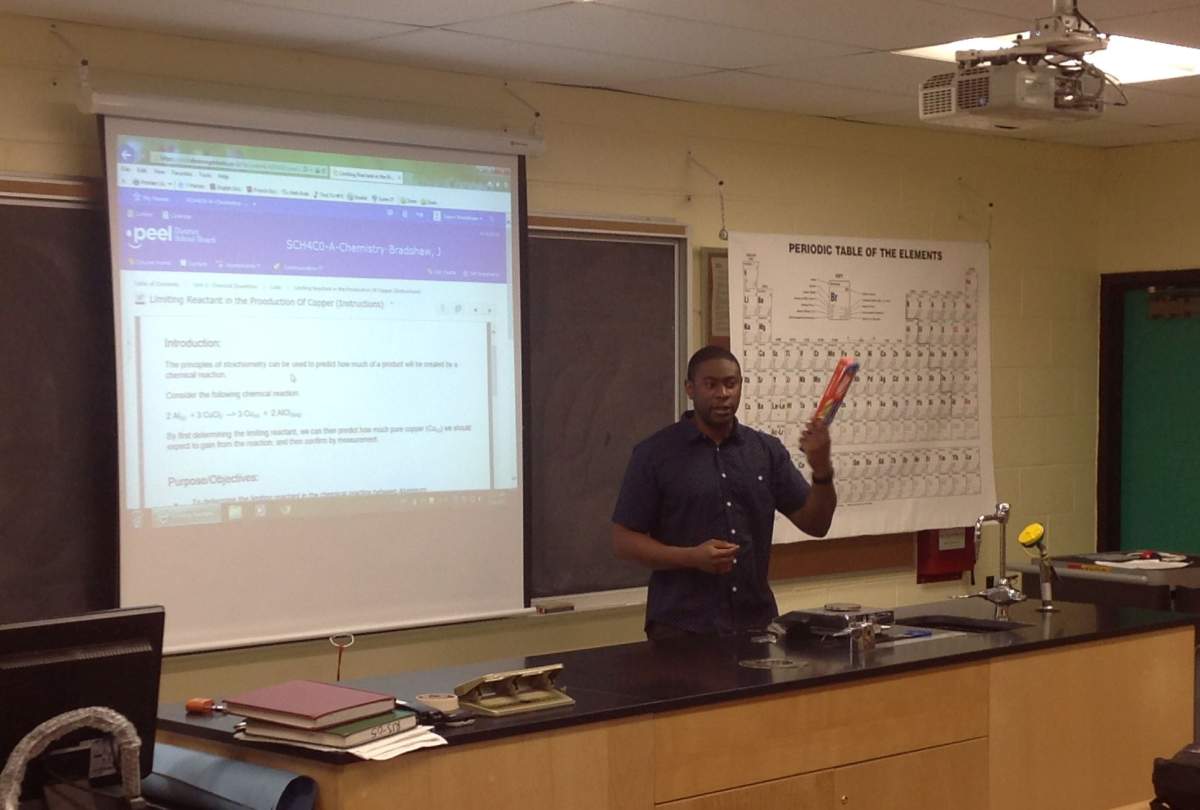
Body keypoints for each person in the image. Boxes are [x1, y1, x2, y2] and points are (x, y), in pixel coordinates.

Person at [611, 345, 837, 639]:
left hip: (755, 624)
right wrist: (692, 557)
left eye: (731, 383)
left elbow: (816, 524)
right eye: (711, 384)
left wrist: (821, 470)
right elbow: (623, 541)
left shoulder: (765, 451)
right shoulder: (655, 454)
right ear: (690, 389)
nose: (723, 394)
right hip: (682, 627)